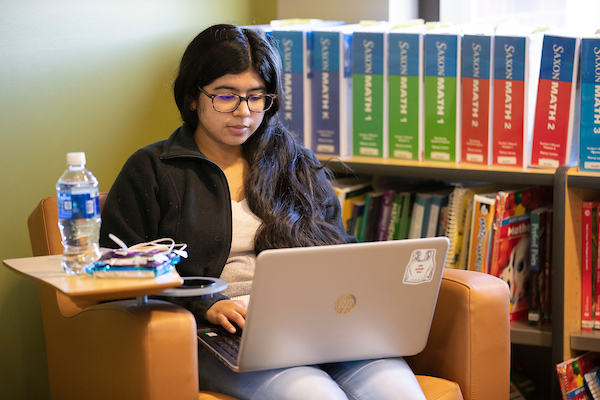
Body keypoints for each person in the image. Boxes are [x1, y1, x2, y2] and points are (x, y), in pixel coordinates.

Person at [100, 23, 427, 400]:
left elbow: (342, 252)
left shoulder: (294, 164)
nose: (244, 112)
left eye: (257, 97)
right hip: (221, 333)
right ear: (193, 97)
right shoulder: (152, 169)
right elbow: (121, 272)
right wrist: (205, 303)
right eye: (226, 96)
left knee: (398, 393)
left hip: (316, 324)